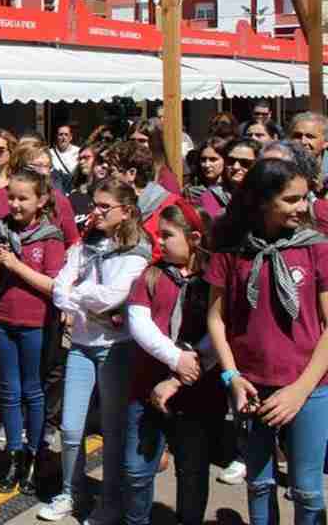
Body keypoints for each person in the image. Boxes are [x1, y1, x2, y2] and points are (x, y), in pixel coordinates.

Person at [207, 157, 328, 525]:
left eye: (304, 198)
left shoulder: (316, 247)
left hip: (309, 387)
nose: (302, 207)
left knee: (307, 489)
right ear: (262, 200)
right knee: (259, 484)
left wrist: (299, 390)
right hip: (252, 386)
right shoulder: (231, 250)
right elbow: (217, 319)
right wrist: (232, 378)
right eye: (291, 199)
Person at [39, 178, 152, 523]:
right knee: (71, 429)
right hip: (81, 346)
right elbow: (60, 286)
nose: (96, 211)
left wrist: (80, 296)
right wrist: (83, 299)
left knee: (114, 431)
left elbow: (114, 295)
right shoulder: (87, 242)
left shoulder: (138, 250)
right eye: (95, 204)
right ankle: (71, 492)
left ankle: (111, 502)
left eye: (105, 206)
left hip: (115, 349)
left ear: (126, 211)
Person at [123, 201, 224, 525]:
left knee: (192, 473)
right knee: (136, 470)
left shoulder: (213, 277)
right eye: (157, 235)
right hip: (147, 388)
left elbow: (222, 327)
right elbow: (139, 324)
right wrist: (175, 358)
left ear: (194, 238)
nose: (159, 242)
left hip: (198, 393)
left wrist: (187, 370)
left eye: (167, 235)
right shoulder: (151, 275)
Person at [0, 169, 66, 495]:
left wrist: (16, 265)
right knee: (8, 390)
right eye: (11, 197)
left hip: (35, 322)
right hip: (2, 318)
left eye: (22, 198)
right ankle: (13, 455)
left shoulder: (50, 236)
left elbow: (54, 286)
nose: (14, 204)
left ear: (41, 200)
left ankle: (33, 455)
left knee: (33, 389)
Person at [0, 144, 80, 246]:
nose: (44, 172)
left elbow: (72, 242)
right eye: (37, 166)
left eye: (47, 166)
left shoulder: (59, 200)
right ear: (20, 168)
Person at [105, 141, 182, 259]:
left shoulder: (170, 206)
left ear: (131, 173)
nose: (107, 179)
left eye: (112, 171)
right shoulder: (115, 208)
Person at [131, 117, 182, 195]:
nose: (136, 145)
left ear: (154, 143)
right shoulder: (123, 171)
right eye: (132, 141)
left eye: (142, 141)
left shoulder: (165, 178)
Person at [289, 111, 327, 186]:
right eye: (297, 136)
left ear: (325, 142)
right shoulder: (282, 167)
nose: (303, 142)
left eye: (310, 136)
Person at [50, 123, 81, 193]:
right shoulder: (50, 153)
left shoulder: (78, 152)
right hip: (58, 192)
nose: (63, 138)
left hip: (75, 190)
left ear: (70, 137)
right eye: (61, 134)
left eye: (66, 134)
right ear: (56, 137)